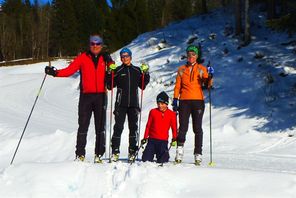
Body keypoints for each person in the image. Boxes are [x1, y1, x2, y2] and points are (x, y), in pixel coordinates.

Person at [44, 35, 115, 163]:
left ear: (101, 45)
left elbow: (113, 71)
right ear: (89, 45)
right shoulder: (82, 57)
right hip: (86, 97)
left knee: (100, 127)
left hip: (100, 96)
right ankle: (80, 155)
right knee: (83, 126)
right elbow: (69, 70)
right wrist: (55, 72)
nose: (95, 46)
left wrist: (110, 63)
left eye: (98, 43)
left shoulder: (105, 58)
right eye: (92, 43)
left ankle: (98, 154)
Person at [172, 45, 213, 165]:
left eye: (193, 54)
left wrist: (210, 75)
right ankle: (179, 152)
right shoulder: (181, 69)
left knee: (197, 128)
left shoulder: (201, 68)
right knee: (183, 127)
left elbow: (207, 83)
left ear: (197, 56)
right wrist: (175, 99)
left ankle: (198, 154)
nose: (191, 57)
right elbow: (178, 86)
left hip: (198, 101)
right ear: (187, 55)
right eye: (189, 54)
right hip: (184, 101)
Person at [107, 47, 150, 162]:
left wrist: (146, 73)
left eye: (127, 56)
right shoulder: (118, 70)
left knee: (133, 128)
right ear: (121, 58)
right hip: (120, 104)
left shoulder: (136, 70)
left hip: (133, 105)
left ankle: (132, 151)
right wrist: (109, 72)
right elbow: (109, 86)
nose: (125, 58)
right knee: (118, 128)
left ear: (130, 57)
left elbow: (143, 85)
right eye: (123, 56)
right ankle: (115, 151)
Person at [141, 91, 177, 164]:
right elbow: (148, 125)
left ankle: (164, 155)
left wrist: (174, 138)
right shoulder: (153, 112)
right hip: (152, 140)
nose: (160, 106)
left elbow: (174, 127)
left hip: (163, 142)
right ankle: (147, 152)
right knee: (145, 160)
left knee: (163, 161)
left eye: (162, 104)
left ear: (166, 104)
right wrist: (145, 137)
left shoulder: (172, 114)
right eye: (158, 103)